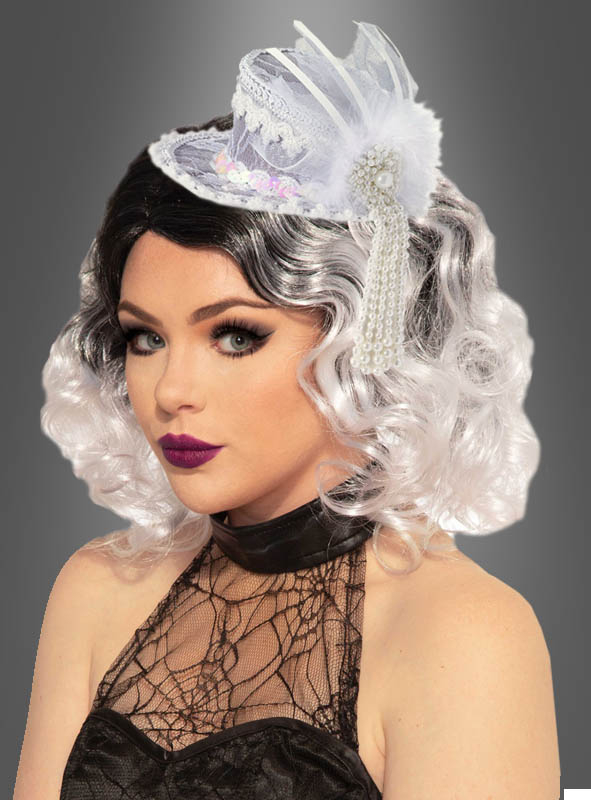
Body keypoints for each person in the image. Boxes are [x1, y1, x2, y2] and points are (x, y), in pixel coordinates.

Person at [14, 19, 560, 800]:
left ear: (358, 341)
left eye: (235, 336)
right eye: (145, 338)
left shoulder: (460, 633)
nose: (169, 391)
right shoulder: (97, 589)